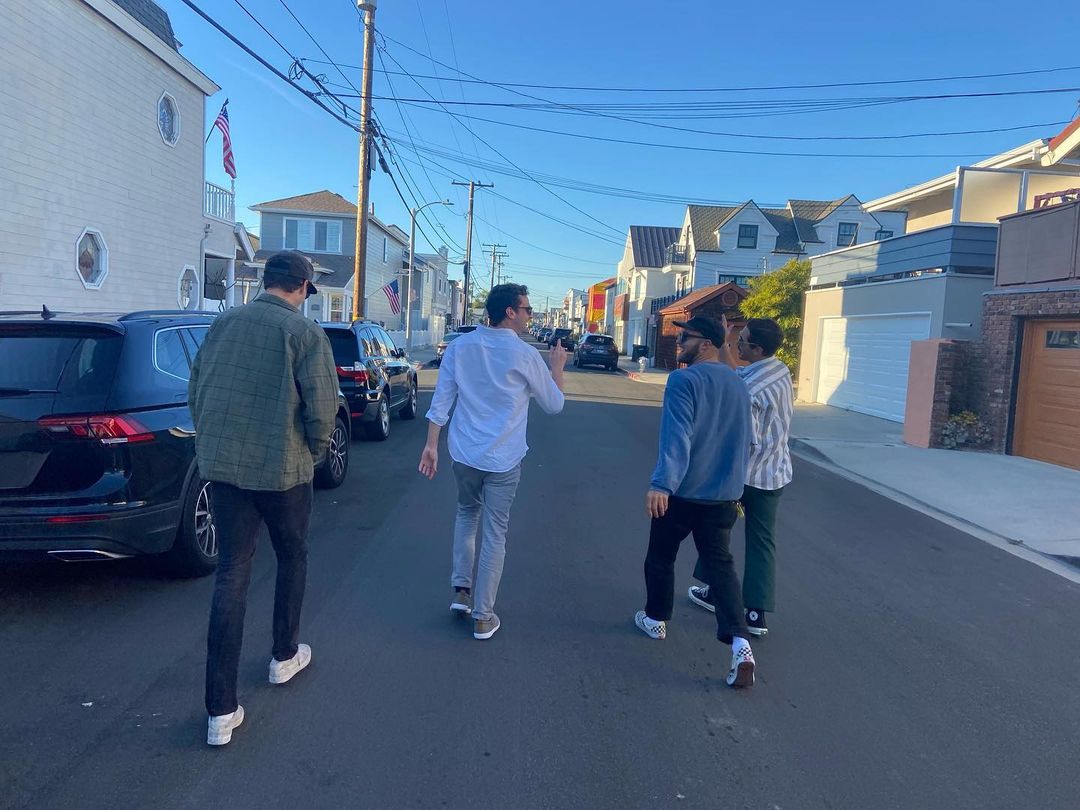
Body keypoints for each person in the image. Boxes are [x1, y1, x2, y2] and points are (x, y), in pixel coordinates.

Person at [189, 250, 339, 746]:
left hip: (225, 470)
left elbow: (197, 389)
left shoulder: (223, 324)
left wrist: (212, 444)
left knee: (232, 573)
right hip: (283, 470)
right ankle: (283, 655)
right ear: (302, 287)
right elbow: (322, 407)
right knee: (292, 555)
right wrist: (315, 452)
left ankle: (219, 711)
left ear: (264, 281)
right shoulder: (303, 333)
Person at [419, 284, 566, 640]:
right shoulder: (525, 355)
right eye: (527, 309)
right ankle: (483, 616)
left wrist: (431, 445)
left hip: (464, 453)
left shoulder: (460, 347)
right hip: (503, 457)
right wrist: (557, 367)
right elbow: (554, 404)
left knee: (466, 514)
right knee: (495, 532)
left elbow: (442, 400)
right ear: (510, 312)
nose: (531, 315)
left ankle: (461, 591)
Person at [635, 315, 756, 688]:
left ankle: (656, 619)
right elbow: (747, 441)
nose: (678, 342)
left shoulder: (683, 380)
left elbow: (677, 436)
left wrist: (661, 484)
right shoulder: (738, 384)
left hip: (683, 492)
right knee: (721, 567)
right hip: (724, 496)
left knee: (661, 556)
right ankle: (740, 643)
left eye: (684, 337)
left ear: (706, 344)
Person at [687, 317, 793, 639]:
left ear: (757, 348)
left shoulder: (751, 392)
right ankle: (756, 612)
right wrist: (724, 341)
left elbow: (746, 437)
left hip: (743, 474)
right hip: (774, 473)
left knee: (716, 533)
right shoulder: (778, 370)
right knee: (762, 542)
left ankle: (715, 591)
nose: (738, 345)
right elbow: (737, 372)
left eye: (742, 341)